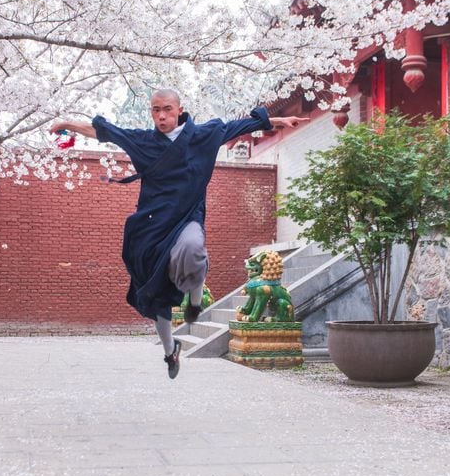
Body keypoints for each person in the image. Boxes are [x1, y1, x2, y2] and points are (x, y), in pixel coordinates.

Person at [50, 89, 307, 379]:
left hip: (187, 218)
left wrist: (277, 120)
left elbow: (240, 126)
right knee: (155, 289)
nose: (161, 116)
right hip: (152, 224)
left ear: (179, 109)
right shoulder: (143, 141)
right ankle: (170, 350)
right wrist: (68, 124)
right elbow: (104, 131)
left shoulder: (202, 135)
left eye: (167, 109)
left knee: (193, 249)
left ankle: (195, 302)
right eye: (156, 110)